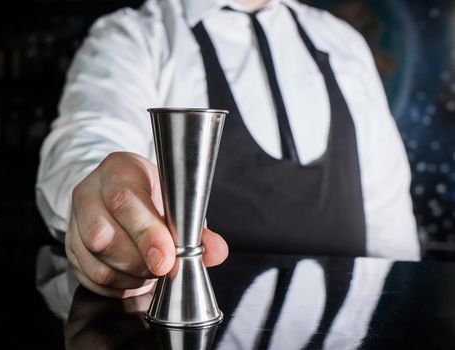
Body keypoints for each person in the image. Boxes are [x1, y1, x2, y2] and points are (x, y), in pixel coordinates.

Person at [36, 0, 420, 298]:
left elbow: (391, 227)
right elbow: (87, 140)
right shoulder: (136, 37)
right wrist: (99, 196)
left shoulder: (345, 44)